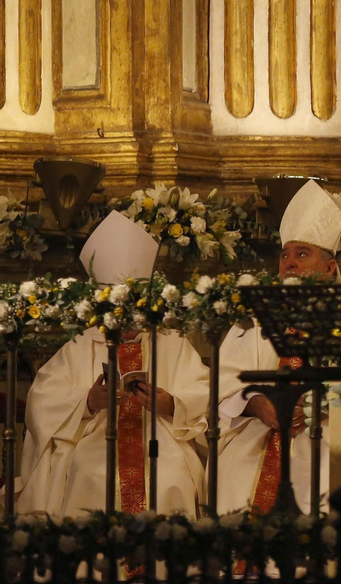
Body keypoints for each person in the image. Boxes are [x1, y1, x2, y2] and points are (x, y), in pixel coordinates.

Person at [17, 213, 210, 517]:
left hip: (160, 437)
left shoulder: (172, 341)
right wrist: (86, 403)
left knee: (171, 478)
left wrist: (173, 404)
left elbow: (205, 390)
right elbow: (41, 399)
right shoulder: (82, 343)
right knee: (90, 475)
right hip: (94, 439)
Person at [213, 181, 341, 516]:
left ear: (329, 269)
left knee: (327, 473)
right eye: (285, 255)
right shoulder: (256, 317)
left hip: (327, 429)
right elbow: (225, 378)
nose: (289, 264)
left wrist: (317, 403)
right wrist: (256, 403)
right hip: (260, 429)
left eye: (302, 254)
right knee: (231, 471)